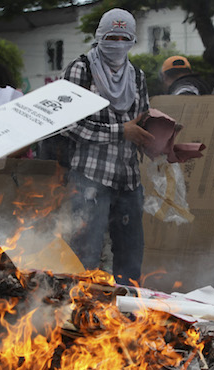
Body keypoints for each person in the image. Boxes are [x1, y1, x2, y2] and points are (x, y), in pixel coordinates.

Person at [61, 8, 154, 285]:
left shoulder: (137, 76)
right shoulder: (82, 69)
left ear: (132, 41)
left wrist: (167, 142)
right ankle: (80, 315)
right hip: (90, 177)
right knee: (85, 255)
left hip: (128, 180)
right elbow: (68, 125)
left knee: (130, 256)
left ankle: (128, 319)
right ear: (99, 36)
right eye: (111, 37)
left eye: (124, 38)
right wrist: (120, 131)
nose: (117, 43)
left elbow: (142, 123)